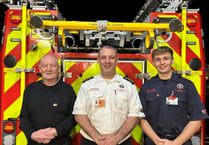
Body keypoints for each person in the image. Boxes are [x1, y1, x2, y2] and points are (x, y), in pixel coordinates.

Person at [73, 45, 145, 145]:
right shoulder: (87, 85)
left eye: (111, 57)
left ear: (117, 60)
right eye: (103, 57)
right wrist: (97, 138)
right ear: (98, 60)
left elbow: (134, 114)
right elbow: (79, 114)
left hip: (121, 141)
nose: (107, 61)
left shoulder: (129, 85)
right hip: (91, 141)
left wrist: (117, 137)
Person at [139, 46, 209, 145]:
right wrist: (156, 140)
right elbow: (140, 118)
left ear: (172, 60)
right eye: (158, 60)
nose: (162, 63)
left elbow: (196, 120)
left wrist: (176, 143)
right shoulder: (146, 87)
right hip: (153, 141)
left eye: (166, 59)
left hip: (181, 141)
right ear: (153, 62)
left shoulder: (187, 85)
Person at [19, 54, 77, 145]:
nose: (49, 69)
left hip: (61, 142)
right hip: (34, 142)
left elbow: (74, 117)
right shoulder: (30, 89)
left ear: (58, 68)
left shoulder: (68, 90)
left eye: (53, 66)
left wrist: (56, 131)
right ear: (40, 68)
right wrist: (32, 134)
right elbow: (24, 117)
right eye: (45, 66)